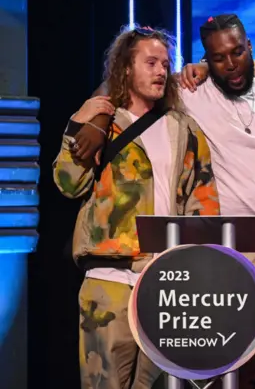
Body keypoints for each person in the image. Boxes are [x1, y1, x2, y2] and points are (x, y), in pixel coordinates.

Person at [53, 26, 219, 389]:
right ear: (126, 68)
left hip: (165, 282)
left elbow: (203, 203)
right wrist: (80, 124)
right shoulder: (104, 125)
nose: (162, 71)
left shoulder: (185, 128)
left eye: (165, 63)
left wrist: (195, 269)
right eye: (150, 63)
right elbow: (68, 185)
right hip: (109, 281)